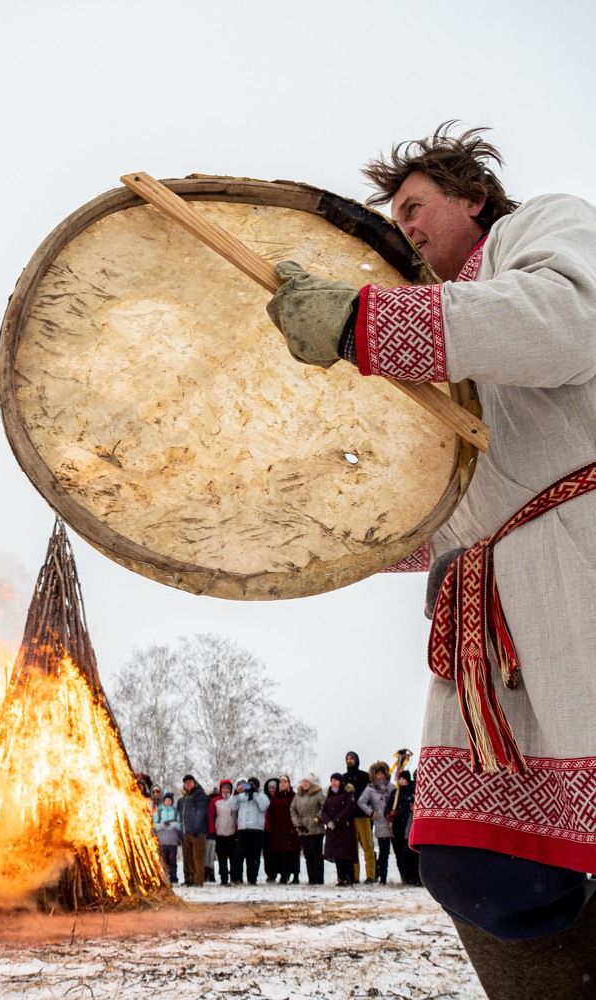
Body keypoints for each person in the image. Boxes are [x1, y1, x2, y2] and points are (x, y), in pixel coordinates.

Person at [266, 122, 596, 997]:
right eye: (395, 214)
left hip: (581, 570)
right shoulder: (439, 354)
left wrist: (365, 320)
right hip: (488, 614)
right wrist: (312, 534)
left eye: (415, 206)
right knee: (473, 861)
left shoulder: (541, 234)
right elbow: (441, 513)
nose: (402, 226)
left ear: (473, 199)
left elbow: (565, 324)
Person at [357, 761, 395, 885]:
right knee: (383, 851)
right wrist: (371, 812)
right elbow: (361, 802)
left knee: (392, 851)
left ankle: (383, 874)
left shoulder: (391, 787)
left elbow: (396, 800)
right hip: (380, 823)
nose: (380, 776)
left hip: (393, 822)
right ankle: (381, 877)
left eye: (382, 774)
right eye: (377, 774)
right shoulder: (370, 789)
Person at [343, 751, 376, 884]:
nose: (349, 760)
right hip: (349, 817)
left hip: (363, 816)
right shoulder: (343, 777)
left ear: (356, 760)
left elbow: (370, 795)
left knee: (368, 846)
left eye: (351, 758)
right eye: (347, 758)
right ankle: (354, 876)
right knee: (352, 848)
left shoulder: (364, 776)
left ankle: (371, 875)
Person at [229, 777, 269, 885]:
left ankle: (252, 878)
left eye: (253, 785)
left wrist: (255, 793)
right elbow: (232, 806)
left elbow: (264, 806)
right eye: (249, 785)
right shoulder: (242, 796)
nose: (250, 787)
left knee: (254, 856)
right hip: (243, 829)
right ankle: (235, 877)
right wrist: (236, 792)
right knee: (239, 855)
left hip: (256, 830)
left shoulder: (262, 796)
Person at [320, 773, 357, 886]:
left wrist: (336, 821)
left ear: (341, 782)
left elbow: (348, 809)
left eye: (336, 780)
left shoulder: (347, 795)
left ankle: (349, 878)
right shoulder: (329, 796)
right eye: (332, 780)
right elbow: (323, 811)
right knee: (337, 856)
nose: (334, 782)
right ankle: (340, 878)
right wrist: (328, 821)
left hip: (344, 828)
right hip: (332, 830)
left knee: (346, 855)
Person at [290, 773, 326, 885]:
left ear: (311, 783)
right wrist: (297, 824)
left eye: (307, 781)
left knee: (317, 855)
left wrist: (318, 817)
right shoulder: (298, 795)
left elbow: (325, 807)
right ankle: (311, 879)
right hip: (303, 829)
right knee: (308, 855)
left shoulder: (318, 794)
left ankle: (319, 879)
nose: (305, 784)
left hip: (316, 828)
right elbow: (292, 810)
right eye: (303, 781)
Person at [267, 774, 300, 884]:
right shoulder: (276, 797)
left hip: (291, 828)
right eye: (281, 782)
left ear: (289, 784)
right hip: (278, 830)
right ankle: (283, 875)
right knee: (281, 854)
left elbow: (297, 811)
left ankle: (295, 875)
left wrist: (296, 826)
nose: (283, 784)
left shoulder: (294, 796)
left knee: (293, 853)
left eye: (285, 782)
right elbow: (270, 812)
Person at [176, 774, 209, 886]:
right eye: (186, 782)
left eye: (190, 782)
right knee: (187, 858)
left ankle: (198, 880)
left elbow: (201, 811)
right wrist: (180, 832)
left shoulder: (200, 795)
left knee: (198, 858)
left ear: (194, 783)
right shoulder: (182, 799)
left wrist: (197, 827)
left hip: (198, 833)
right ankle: (189, 879)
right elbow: (179, 816)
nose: (188, 784)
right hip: (186, 833)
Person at [212, 779, 237, 885]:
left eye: (228, 788)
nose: (226, 790)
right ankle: (223, 878)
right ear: (220, 789)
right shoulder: (215, 801)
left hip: (232, 833)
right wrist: (212, 830)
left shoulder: (235, 800)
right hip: (220, 833)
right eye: (224, 788)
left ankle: (233, 877)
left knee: (233, 857)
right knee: (222, 858)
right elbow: (211, 816)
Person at [153, 792, 181, 884]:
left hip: (172, 840)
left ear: (171, 802)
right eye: (166, 800)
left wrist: (172, 825)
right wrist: (162, 825)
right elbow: (154, 825)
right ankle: (164, 878)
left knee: (173, 861)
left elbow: (179, 825)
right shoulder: (159, 812)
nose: (168, 802)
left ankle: (173, 877)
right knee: (163, 861)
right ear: (164, 801)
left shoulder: (176, 812)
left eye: (169, 800)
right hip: (162, 840)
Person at [262, 778, 279, 882]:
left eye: (274, 787)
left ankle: (279, 872)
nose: (272, 789)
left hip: (278, 829)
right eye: (270, 788)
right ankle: (270, 874)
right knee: (267, 854)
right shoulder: (264, 798)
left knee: (277, 853)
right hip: (266, 830)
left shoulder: (279, 799)